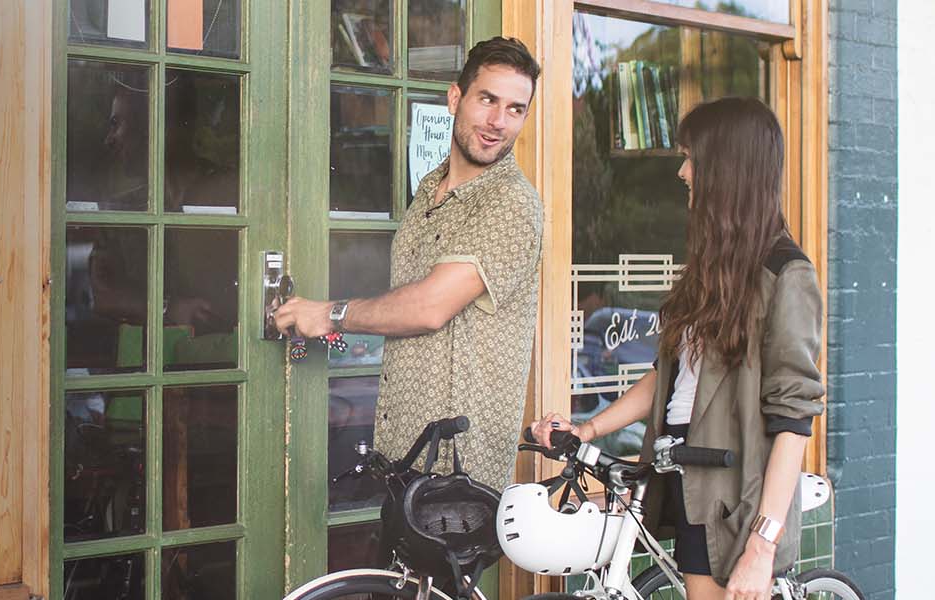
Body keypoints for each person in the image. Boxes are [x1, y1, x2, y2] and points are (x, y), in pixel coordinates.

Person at [528, 97, 824, 600]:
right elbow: (665, 381)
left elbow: (794, 421)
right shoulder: (710, 272)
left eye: (693, 158)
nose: (683, 172)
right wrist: (589, 429)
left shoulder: (787, 275)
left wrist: (763, 545)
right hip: (688, 482)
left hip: (738, 499)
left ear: (727, 169)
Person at [273, 37, 544, 489]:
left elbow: (427, 308)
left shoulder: (511, 203)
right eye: (488, 100)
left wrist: (327, 314)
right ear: (455, 98)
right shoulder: (430, 188)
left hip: (455, 469)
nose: (498, 122)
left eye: (515, 109)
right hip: (405, 455)